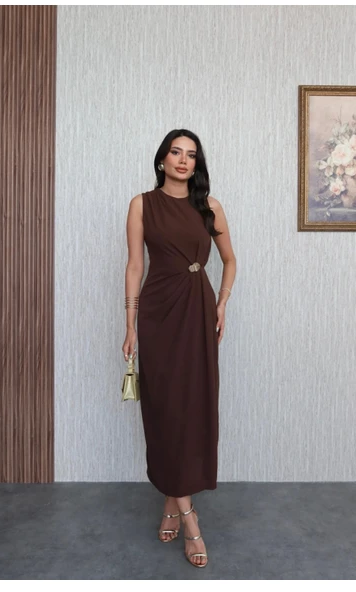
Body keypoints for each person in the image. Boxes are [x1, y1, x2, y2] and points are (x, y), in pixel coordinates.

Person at [122, 129, 237, 568]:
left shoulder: (210, 206)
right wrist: (129, 324)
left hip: (198, 310)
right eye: (176, 152)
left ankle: (174, 505)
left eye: (191, 154)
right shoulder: (141, 204)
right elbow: (135, 266)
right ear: (162, 159)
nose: (183, 160)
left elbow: (229, 260)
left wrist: (221, 303)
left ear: (197, 164)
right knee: (165, 408)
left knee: (193, 408)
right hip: (157, 313)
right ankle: (190, 518)